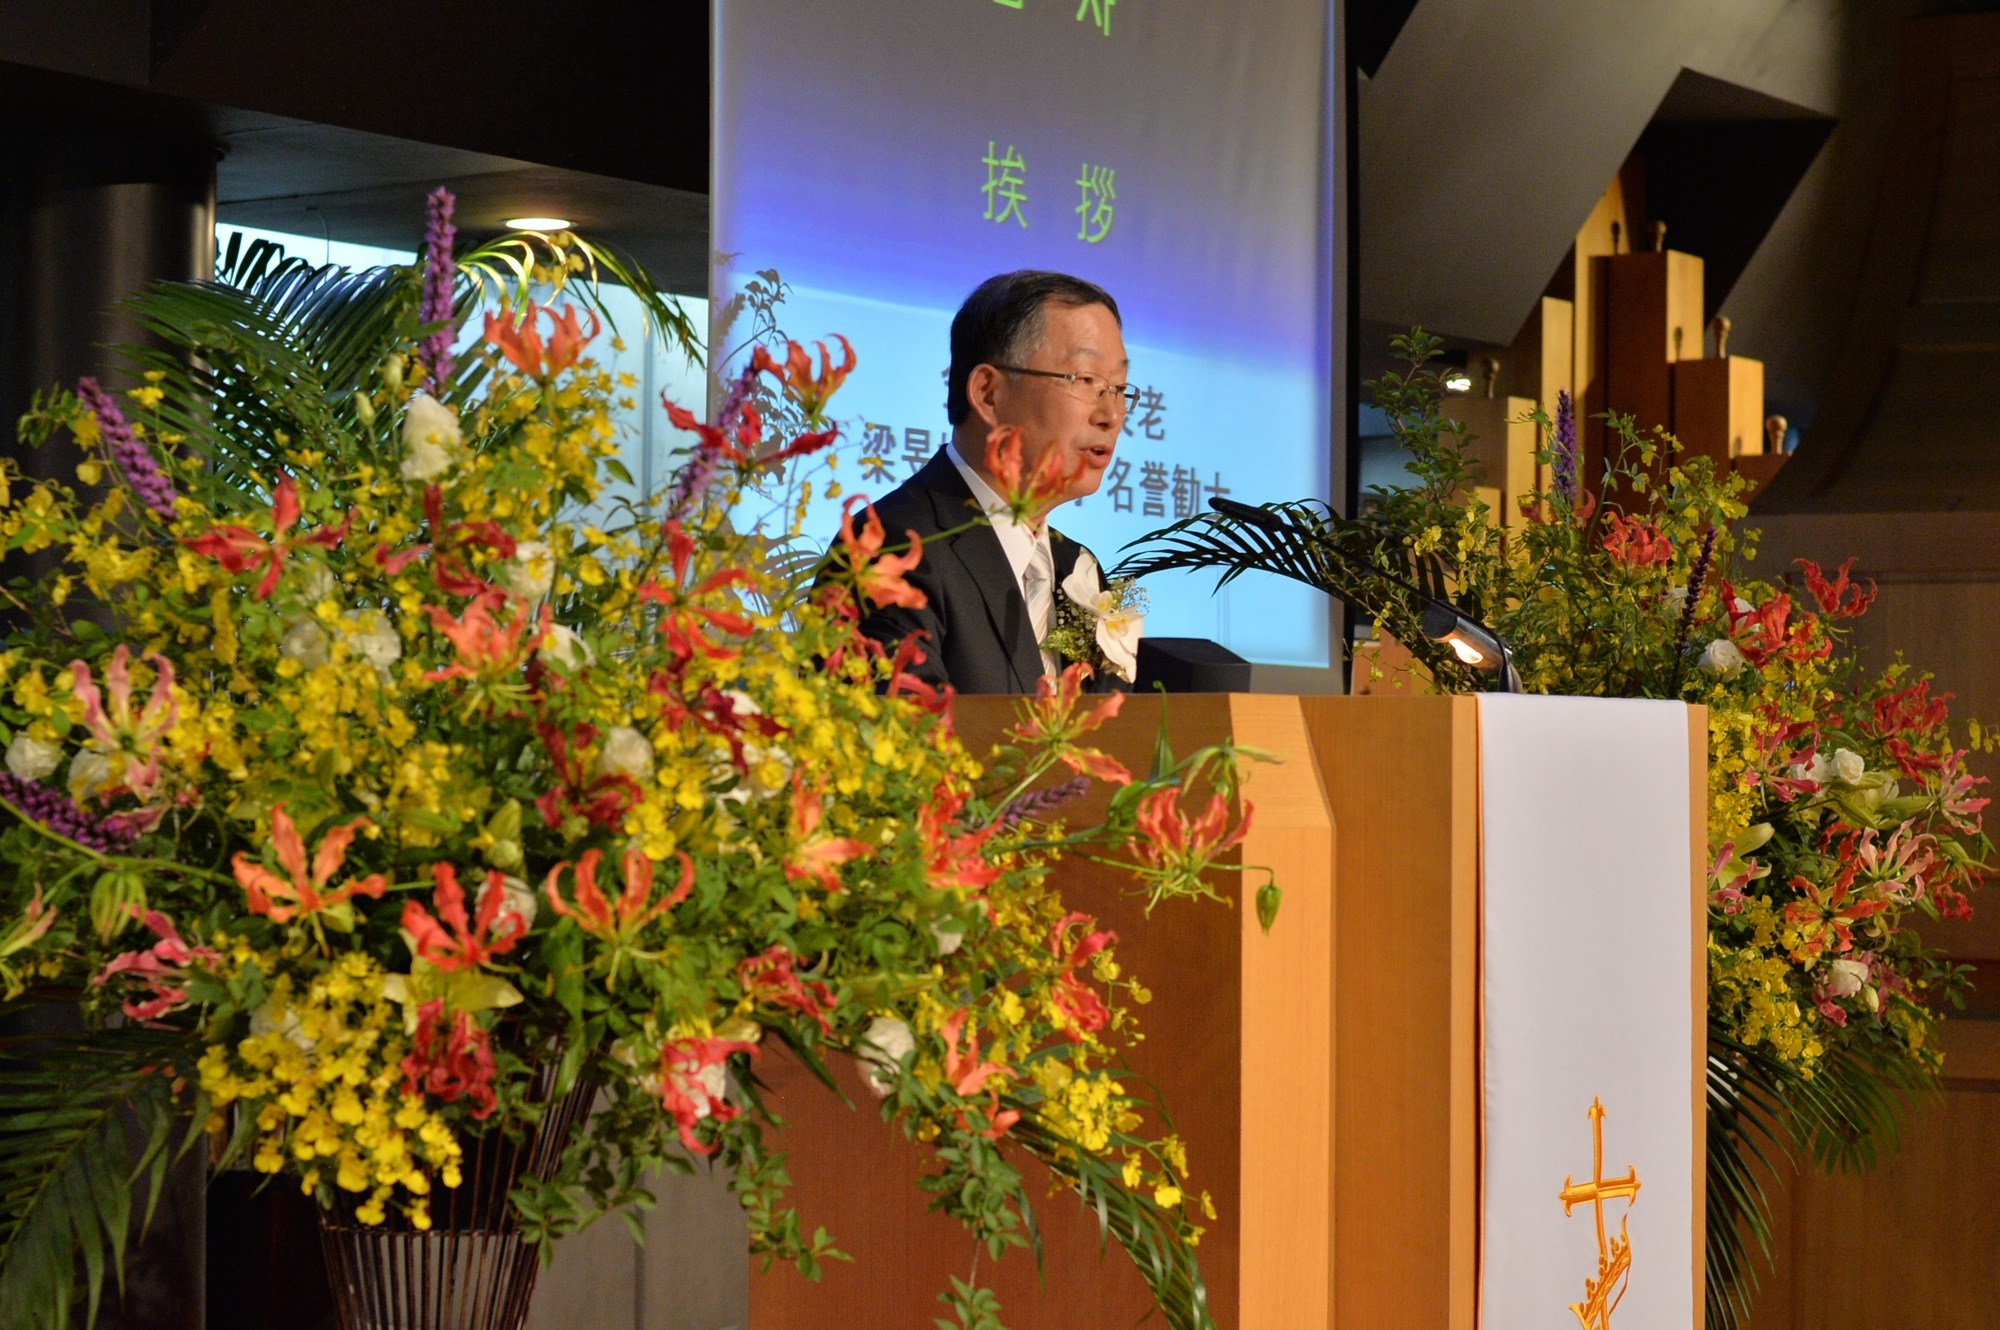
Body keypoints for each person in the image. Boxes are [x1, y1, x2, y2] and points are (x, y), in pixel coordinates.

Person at [839, 270, 1137, 694]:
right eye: (1086, 380)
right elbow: (902, 728)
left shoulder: (1078, 568)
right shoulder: (893, 548)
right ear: (988, 393)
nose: (1111, 415)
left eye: (1119, 388)